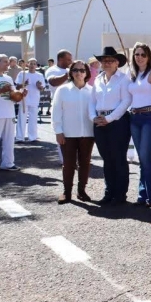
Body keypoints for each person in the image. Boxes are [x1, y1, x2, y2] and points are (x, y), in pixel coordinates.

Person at [89, 47, 132, 205]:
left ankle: (120, 195)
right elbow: (92, 101)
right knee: (106, 159)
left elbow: (126, 101)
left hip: (118, 122)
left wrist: (110, 118)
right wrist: (93, 117)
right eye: (104, 60)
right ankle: (109, 192)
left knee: (118, 158)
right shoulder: (99, 79)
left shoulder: (123, 79)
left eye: (111, 60)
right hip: (100, 121)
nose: (107, 63)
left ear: (117, 63)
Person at [51, 60, 94, 204]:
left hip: (88, 134)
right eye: (75, 70)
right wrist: (58, 131)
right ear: (71, 72)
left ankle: (81, 191)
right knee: (68, 164)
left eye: (82, 70)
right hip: (68, 134)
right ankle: (66, 192)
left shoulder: (92, 91)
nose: (79, 73)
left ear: (87, 73)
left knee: (85, 163)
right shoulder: (62, 90)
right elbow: (56, 111)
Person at [128, 42, 151, 207]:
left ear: (148, 57)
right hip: (134, 118)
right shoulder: (133, 75)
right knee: (142, 158)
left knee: (145, 156)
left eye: (143, 54)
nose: (140, 57)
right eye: (137, 54)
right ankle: (143, 195)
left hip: (149, 117)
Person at [0, 54, 25, 172]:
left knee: (9, 139)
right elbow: (3, 92)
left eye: (8, 61)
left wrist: (21, 95)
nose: (8, 64)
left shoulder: (8, 78)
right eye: (5, 62)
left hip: (10, 112)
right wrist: (1, 90)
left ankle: (8, 163)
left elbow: (13, 96)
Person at [14, 59, 46, 142]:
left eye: (34, 64)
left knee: (33, 118)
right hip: (24, 99)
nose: (32, 65)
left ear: (36, 65)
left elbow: (42, 88)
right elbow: (17, 87)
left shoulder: (39, 75)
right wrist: (23, 84)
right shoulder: (22, 73)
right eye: (31, 63)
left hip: (34, 99)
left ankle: (33, 137)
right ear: (27, 64)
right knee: (22, 118)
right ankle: (19, 137)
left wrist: (39, 86)